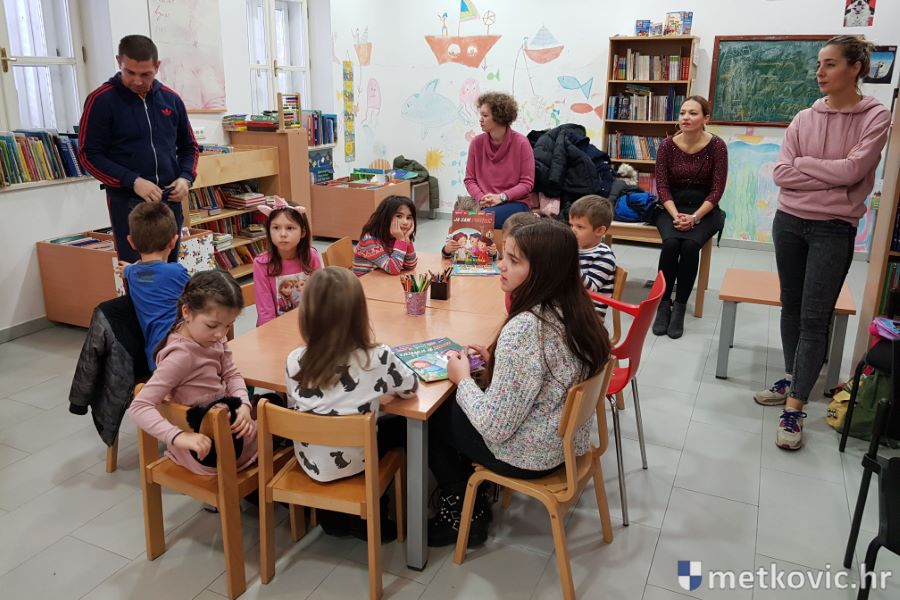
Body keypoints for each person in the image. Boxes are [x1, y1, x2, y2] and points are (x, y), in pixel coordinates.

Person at [427, 220, 611, 547]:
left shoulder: (526, 328)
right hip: (563, 445)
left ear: (543, 271)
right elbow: (545, 374)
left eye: (513, 260)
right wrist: (499, 363)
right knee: (464, 397)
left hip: (529, 456)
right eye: (504, 256)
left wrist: (463, 378)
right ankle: (471, 491)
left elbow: (494, 427)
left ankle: (462, 513)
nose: (501, 265)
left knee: (437, 413)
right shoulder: (576, 309)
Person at [758, 36, 890, 451]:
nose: (819, 72)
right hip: (789, 222)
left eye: (830, 64)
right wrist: (829, 175)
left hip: (833, 228)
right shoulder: (803, 117)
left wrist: (806, 165)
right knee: (791, 305)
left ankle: (795, 407)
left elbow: (853, 171)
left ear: (856, 68)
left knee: (815, 317)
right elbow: (782, 173)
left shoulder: (876, 116)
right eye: (819, 64)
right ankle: (792, 377)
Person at [285, 267, 416, 540]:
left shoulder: (295, 359)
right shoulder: (377, 357)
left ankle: (331, 515)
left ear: (306, 315)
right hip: (358, 462)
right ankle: (376, 513)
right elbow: (410, 388)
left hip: (310, 460)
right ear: (360, 314)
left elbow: (295, 405)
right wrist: (378, 392)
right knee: (405, 426)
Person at [78, 34, 199, 264]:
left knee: (169, 269)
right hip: (128, 203)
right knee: (135, 270)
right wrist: (133, 181)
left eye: (146, 74)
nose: (137, 81)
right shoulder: (101, 100)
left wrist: (185, 178)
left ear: (157, 66)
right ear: (119, 62)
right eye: (130, 72)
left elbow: (189, 147)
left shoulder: (171, 100)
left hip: (169, 201)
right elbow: (88, 155)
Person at [128, 270, 256, 476]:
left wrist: (243, 404)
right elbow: (139, 406)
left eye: (228, 326)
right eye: (212, 325)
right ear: (186, 312)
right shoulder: (181, 357)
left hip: (220, 428)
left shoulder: (209, 337)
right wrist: (178, 437)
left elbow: (232, 374)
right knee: (280, 426)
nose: (220, 334)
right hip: (207, 452)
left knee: (265, 409)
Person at [651, 96, 728, 339]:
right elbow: (662, 186)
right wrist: (676, 215)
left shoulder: (717, 146)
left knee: (691, 246)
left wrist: (694, 217)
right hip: (671, 207)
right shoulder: (667, 145)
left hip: (704, 209)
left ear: (706, 118)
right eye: (683, 112)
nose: (686, 117)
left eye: (693, 113)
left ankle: (680, 306)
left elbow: (717, 190)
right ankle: (663, 304)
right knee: (671, 243)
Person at [115, 202, 190, 370]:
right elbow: (202, 295)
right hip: (183, 350)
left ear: (131, 242)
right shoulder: (176, 272)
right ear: (173, 241)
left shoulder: (134, 274)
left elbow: (142, 273)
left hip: (155, 358)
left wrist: (127, 269)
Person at [464, 92, 536, 228]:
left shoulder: (521, 143)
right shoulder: (476, 143)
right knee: (462, 219)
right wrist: (481, 198)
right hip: (485, 203)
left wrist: (501, 197)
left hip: (515, 203)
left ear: (499, 118)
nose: (480, 119)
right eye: (481, 115)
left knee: (482, 220)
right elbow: (469, 179)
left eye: (485, 116)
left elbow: (527, 183)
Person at [252, 197, 321, 326]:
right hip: (275, 328)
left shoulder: (311, 256)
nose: (282, 234)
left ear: (302, 232)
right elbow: (265, 312)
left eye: (290, 228)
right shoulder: (261, 264)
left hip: (308, 324)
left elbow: (319, 297)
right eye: (276, 228)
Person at [568, 195, 617, 319]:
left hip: (589, 315)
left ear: (599, 231)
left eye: (580, 227)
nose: (573, 231)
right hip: (571, 305)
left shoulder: (604, 255)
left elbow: (591, 289)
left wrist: (567, 262)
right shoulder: (575, 248)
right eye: (571, 225)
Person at [352, 196, 418, 276]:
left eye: (409, 218)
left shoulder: (396, 236)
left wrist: (407, 240)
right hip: (365, 282)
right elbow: (393, 269)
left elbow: (410, 265)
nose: (405, 222)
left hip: (382, 278)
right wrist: (401, 240)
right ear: (386, 217)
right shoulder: (369, 240)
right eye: (399, 216)